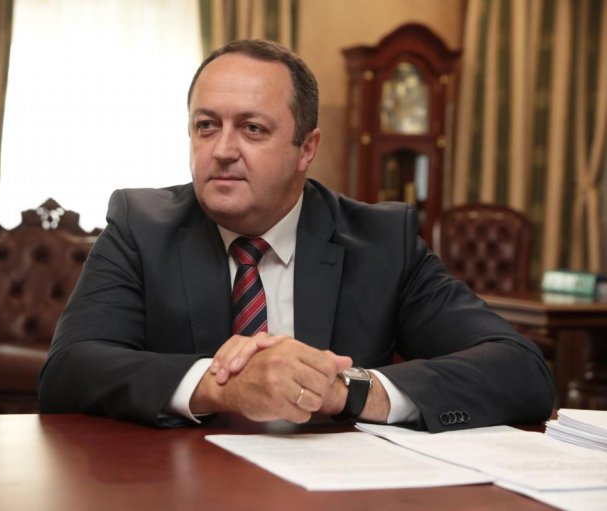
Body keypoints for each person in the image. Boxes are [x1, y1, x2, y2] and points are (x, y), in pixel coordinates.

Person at [39, 39, 554, 432]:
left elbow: (521, 370)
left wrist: (346, 391)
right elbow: (69, 371)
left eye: (252, 129)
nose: (222, 150)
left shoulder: (381, 242)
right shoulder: (141, 225)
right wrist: (221, 386)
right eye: (206, 125)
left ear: (306, 149)